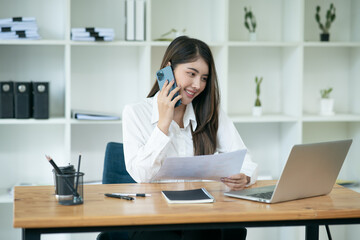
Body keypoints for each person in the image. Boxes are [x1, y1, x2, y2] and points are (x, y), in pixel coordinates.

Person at [122, 36, 258, 240]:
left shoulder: (211, 112)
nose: (197, 85)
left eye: (204, 78)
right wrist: (163, 124)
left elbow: (246, 160)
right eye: (191, 74)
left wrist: (244, 177)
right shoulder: (135, 113)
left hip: (201, 215)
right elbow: (141, 175)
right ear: (168, 70)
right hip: (155, 218)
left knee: (217, 229)